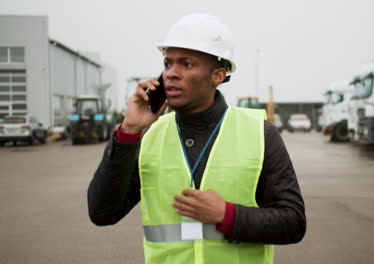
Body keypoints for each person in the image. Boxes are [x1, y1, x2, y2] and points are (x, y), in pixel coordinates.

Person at [87, 13, 306, 264]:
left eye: (186, 64)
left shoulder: (259, 132)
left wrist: (227, 215)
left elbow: (293, 222)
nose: (171, 73)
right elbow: (102, 213)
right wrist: (128, 130)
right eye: (168, 63)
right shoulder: (149, 136)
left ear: (218, 76)